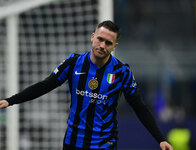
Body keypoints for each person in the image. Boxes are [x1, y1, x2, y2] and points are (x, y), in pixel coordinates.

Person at [0, 20, 173, 150]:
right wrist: (10, 101)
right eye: (100, 39)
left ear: (114, 46)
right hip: (73, 141)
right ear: (92, 37)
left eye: (108, 43)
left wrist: (160, 139)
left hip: (104, 143)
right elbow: (44, 86)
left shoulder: (122, 72)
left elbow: (139, 107)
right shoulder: (73, 62)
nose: (102, 45)